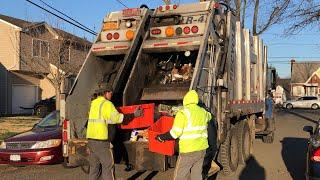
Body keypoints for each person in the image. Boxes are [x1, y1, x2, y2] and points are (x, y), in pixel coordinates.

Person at [86, 84, 141, 180]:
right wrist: (134, 115)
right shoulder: (107, 104)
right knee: (108, 168)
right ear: (106, 92)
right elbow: (118, 118)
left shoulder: (93, 104)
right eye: (111, 93)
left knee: (94, 169)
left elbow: (105, 120)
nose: (111, 95)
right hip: (102, 143)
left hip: (91, 142)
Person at [156, 90, 212, 180]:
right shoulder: (203, 112)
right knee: (197, 175)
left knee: (180, 176)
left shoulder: (182, 113)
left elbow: (174, 134)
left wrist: (161, 137)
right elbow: (209, 116)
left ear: (185, 100)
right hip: (202, 149)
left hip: (188, 151)